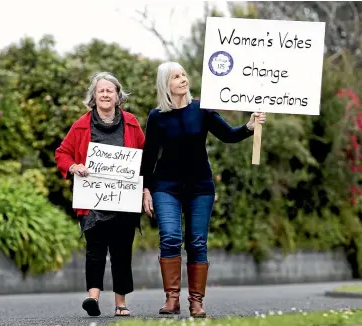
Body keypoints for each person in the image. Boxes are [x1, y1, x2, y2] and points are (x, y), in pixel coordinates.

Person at [141, 62, 266, 318]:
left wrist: (249, 127)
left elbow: (228, 135)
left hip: (200, 187)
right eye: (176, 77)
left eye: (184, 74)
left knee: (197, 242)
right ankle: (172, 299)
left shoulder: (202, 108)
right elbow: (149, 156)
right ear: (166, 84)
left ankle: (196, 301)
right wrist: (145, 189)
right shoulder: (157, 117)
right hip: (166, 186)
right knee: (170, 237)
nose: (183, 80)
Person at [55, 72, 145, 317]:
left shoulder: (132, 123)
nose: (105, 94)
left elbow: (144, 158)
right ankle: (92, 298)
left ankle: (120, 303)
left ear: (118, 96)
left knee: (121, 252)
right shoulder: (82, 124)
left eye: (110, 91)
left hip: (124, 200)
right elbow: (62, 153)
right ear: (94, 97)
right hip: (92, 201)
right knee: (94, 250)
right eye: (100, 91)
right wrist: (73, 166)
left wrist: (145, 188)